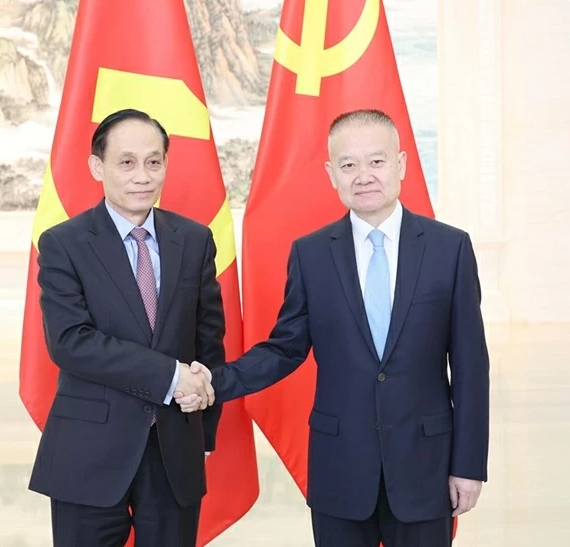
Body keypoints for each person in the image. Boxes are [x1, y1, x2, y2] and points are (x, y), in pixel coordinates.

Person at [179, 109, 490, 547]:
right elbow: (284, 349)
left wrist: (469, 464)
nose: (363, 175)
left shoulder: (449, 249)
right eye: (348, 165)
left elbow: (471, 366)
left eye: (377, 161)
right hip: (340, 469)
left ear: (401, 164)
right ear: (332, 174)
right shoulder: (311, 255)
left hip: (425, 466)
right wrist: (215, 380)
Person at [29, 108, 225, 547]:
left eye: (154, 162)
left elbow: (208, 342)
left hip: (175, 448)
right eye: (127, 162)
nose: (142, 176)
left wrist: (204, 430)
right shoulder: (63, 244)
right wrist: (171, 377)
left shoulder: (194, 240)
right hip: (89, 450)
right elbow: (70, 342)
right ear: (97, 167)